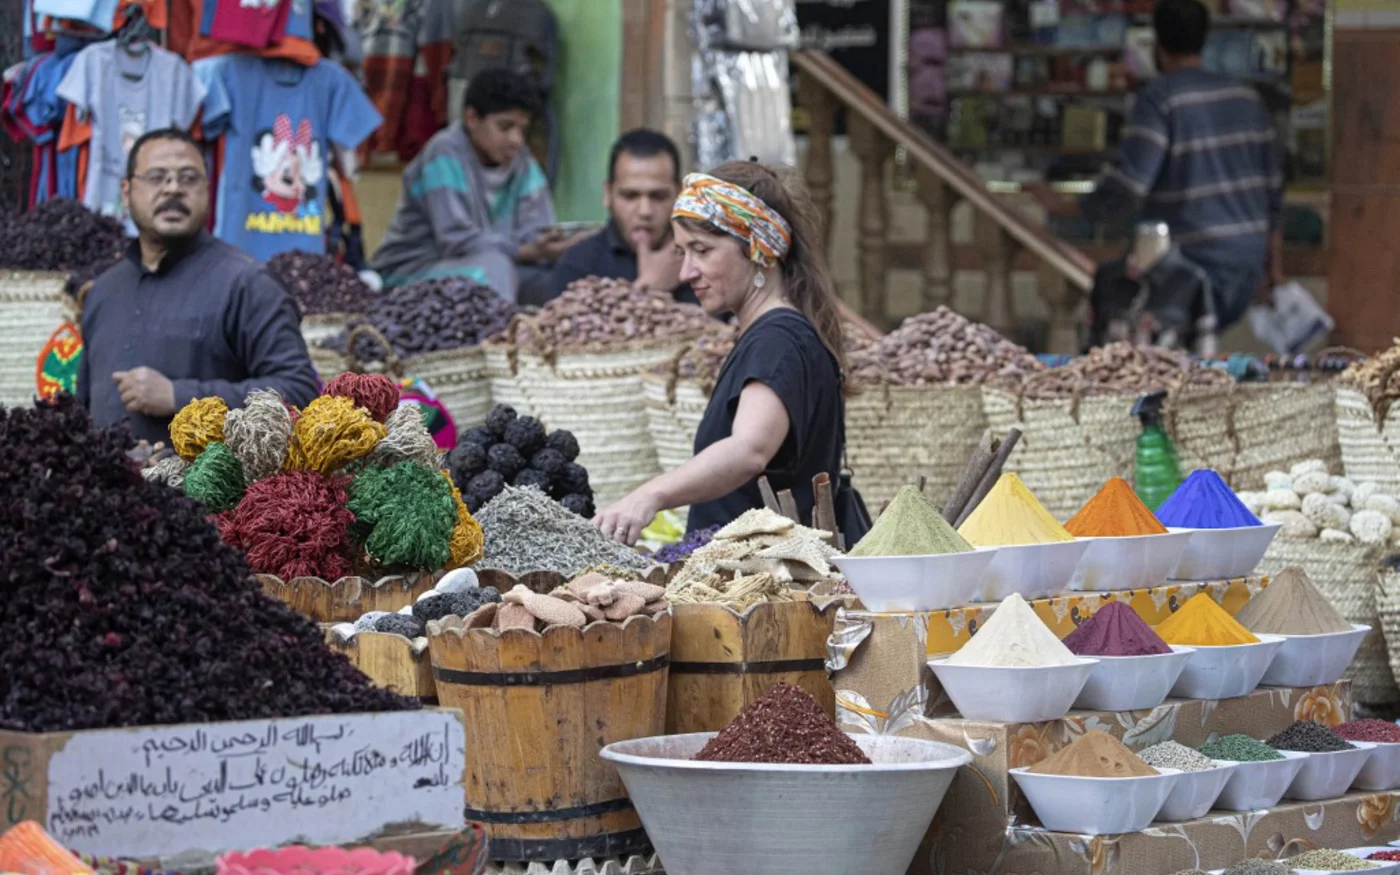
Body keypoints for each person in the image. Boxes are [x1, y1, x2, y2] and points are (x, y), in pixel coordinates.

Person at [593, 162, 849, 545]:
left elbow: (750, 449)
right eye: (683, 252)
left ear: (760, 249)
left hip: (762, 588)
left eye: (702, 250)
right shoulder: (771, 335)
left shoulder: (777, 341)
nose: (686, 273)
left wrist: (650, 495)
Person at [1027, 0, 1284, 332]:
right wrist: (1274, 269)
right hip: (1245, 265)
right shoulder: (1247, 99)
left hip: (1189, 265)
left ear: (1158, 45)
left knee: (1117, 315)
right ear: (1205, 40)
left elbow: (1131, 185)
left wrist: (1066, 207)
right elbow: (1273, 193)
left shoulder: (1159, 99)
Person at [77, 128, 319, 444]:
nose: (173, 188)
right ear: (126, 191)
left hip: (204, 491)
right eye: (156, 177)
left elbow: (299, 391)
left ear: (207, 189)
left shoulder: (248, 284)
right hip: (106, 488)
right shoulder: (103, 292)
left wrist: (181, 396)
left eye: (189, 178)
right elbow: (82, 410)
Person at [371, 68, 583, 304]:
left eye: (522, 130)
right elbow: (455, 240)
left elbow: (535, 232)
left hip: (496, 266)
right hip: (410, 274)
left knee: (561, 279)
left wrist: (557, 243)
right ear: (472, 118)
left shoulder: (522, 162)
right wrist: (525, 251)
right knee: (494, 268)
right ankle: (500, 339)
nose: (516, 140)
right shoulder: (444, 153)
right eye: (505, 127)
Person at [543, 128, 698, 306]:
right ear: (608, 193)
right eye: (630, 196)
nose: (644, 211)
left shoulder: (702, 259)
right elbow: (562, 330)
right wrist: (650, 288)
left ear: (680, 194)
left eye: (658, 196)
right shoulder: (579, 265)